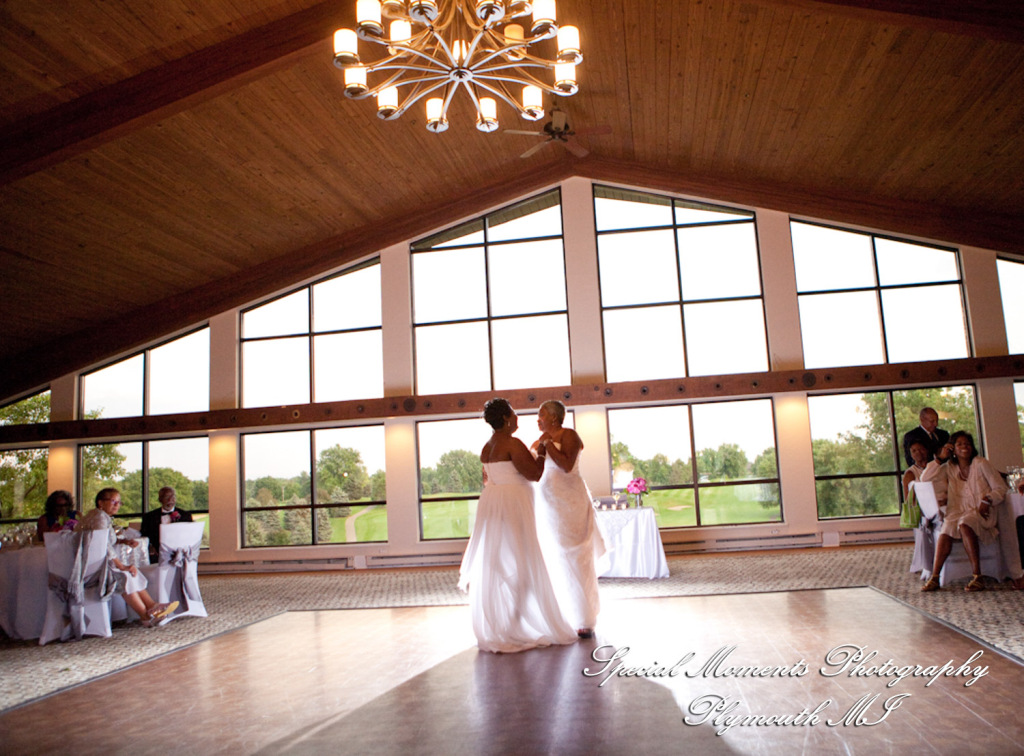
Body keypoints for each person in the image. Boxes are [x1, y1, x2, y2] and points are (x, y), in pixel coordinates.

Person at [458, 398, 577, 653]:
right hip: (512, 505)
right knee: (522, 561)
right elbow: (534, 474)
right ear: (505, 418)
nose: (517, 418)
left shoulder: (487, 446)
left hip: (494, 503)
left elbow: (487, 479)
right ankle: (516, 623)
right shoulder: (512, 444)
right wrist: (542, 450)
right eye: (513, 414)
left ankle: (503, 623)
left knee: (500, 560)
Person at [532, 399, 606, 639]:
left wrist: (547, 444)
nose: (538, 420)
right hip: (548, 504)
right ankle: (560, 616)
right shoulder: (538, 441)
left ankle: (584, 618)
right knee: (553, 557)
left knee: (576, 555)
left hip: (571, 503)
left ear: (554, 417)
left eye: (542, 415)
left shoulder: (569, 435)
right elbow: (534, 470)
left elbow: (566, 464)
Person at [920, 432, 1007, 592]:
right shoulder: (949, 468)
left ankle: (977, 576)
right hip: (957, 511)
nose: (964, 446)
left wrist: (988, 499)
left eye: (967, 443)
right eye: (959, 444)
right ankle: (935, 577)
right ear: (952, 449)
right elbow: (924, 479)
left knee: (965, 523)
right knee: (947, 529)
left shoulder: (981, 463)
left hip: (981, 511)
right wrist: (939, 459)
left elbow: (1000, 488)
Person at [77, 488, 178, 626]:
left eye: (119, 502)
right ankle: (145, 615)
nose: (117, 505)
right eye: (113, 501)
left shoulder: (100, 516)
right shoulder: (99, 518)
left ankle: (151, 607)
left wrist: (123, 541)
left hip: (96, 563)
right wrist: (121, 565)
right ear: (100, 502)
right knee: (125, 575)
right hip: (90, 569)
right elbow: (103, 545)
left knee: (130, 573)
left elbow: (102, 540)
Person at [904, 440, 938, 575]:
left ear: (927, 450)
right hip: (921, 510)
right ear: (911, 454)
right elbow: (909, 499)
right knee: (924, 523)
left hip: (938, 505)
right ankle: (926, 563)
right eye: (914, 451)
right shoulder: (910, 473)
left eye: (921, 449)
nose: (918, 453)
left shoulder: (936, 467)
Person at [140, 486, 193, 564]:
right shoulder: (149, 517)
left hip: (180, 555)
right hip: (157, 555)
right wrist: (150, 547)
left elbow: (190, 536)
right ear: (160, 499)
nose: (170, 500)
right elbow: (144, 536)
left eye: (173, 497)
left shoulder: (185, 516)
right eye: (167, 497)